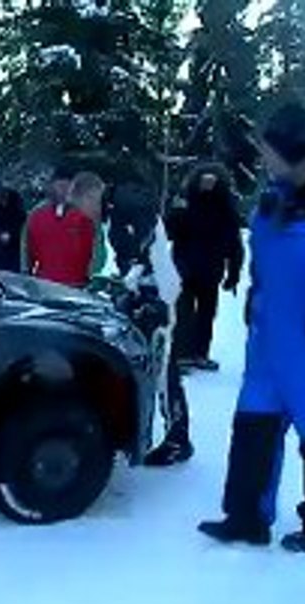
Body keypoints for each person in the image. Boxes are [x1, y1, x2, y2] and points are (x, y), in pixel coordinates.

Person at [199, 103, 305, 553]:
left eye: (269, 151)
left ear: (295, 152)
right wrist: (254, 295)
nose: (263, 159)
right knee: (252, 426)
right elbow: (266, 258)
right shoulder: (274, 196)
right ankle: (245, 517)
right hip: (267, 342)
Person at [107, 177, 194, 467]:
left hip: (158, 295)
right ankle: (146, 433)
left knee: (162, 369)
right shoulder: (121, 207)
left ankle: (177, 439)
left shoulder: (126, 207)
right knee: (147, 365)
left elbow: (141, 247)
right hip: (147, 291)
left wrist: (130, 274)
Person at [167, 163, 244, 371]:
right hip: (185, 266)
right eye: (205, 180)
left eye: (212, 180)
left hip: (211, 269)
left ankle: (200, 353)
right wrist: (176, 214)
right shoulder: (185, 201)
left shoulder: (226, 206)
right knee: (184, 312)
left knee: (207, 312)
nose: (208, 184)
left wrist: (234, 271)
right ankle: (183, 354)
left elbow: (234, 242)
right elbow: (170, 230)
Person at [26, 171, 98, 287]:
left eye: (68, 186)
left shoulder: (86, 215)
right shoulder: (37, 215)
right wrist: (27, 274)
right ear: (53, 187)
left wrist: (93, 276)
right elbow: (27, 248)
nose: (64, 190)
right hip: (45, 283)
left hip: (77, 284)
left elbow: (97, 249)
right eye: (60, 186)